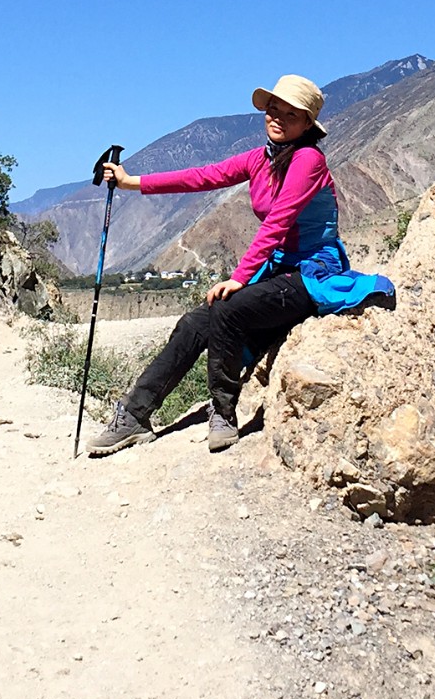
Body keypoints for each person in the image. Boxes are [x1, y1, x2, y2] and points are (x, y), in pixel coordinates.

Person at [87, 74, 394, 457]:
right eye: (273, 109)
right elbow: (201, 177)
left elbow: (279, 220)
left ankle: (224, 412)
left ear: (307, 123)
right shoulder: (259, 159)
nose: (277, 118)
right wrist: (132, 182)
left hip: (312, 271)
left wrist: (238, 278)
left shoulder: (308, 160)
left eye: (290, 113)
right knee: (194, 322)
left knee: (228, 309)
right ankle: (134, 416)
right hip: (277, 269)